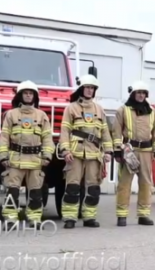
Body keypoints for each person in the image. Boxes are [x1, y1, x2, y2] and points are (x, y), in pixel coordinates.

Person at [0, 80, 55, 228]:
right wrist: (3, 156)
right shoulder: (10, 114)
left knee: (35, 192)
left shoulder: (42, 115)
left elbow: (47, 138)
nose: (28, 96)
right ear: (20, 95)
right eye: (25, 93)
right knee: (12, 191)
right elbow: (4, 137)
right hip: (15, 159)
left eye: (31, 93)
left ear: (35, 96)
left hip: (36, 160)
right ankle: (10, 218)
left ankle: (34, 218)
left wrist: (47, 155)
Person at [58, 74, 113, 228]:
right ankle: (70, 218)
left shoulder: (99, 109)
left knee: (93, 188)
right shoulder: (71, 108)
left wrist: (108, 151)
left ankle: (89, 217)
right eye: (87, 87)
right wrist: (65, 150)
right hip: (75, 153)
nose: (90, 90)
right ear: (81, 88)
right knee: (72, 187)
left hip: (94, 154)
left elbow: (105, 133)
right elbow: (64, 131)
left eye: (92, 88)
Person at [113, 80, 155, 226]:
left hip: (146, 151)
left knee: (146, 184)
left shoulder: (152, 112)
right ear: (133, 94)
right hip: (129, 151)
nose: (141, 95)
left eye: (143, 93)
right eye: (138, 92)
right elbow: (116, 131)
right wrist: (117, 150)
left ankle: (143, 215)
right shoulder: (123, 110)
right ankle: (122, 215)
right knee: (124, 184)